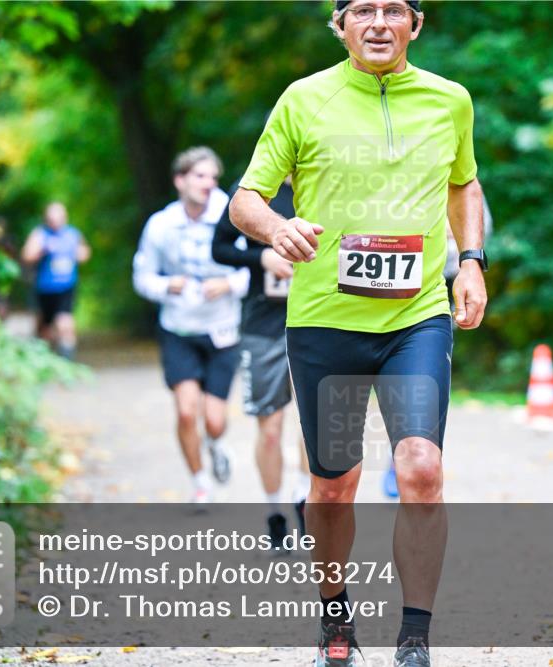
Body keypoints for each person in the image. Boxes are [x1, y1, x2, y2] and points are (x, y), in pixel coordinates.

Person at [229, 1, 487, 664]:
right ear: (339, 25)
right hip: (325, 321)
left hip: (415, 317)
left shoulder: (449, 100)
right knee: (333, 485)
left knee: (421, 469)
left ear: (416, 24)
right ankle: (335, 621)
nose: (379, 22)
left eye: (393, 10)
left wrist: (471, 262)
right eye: (363, 10)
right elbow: (246, 198)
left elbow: (465, 186)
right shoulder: (303, 99)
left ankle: (415, 638)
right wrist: (275, 228)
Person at [132, 146, 250, 505]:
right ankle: (200, 482)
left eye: (213, 177)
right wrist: (168, 285)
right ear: (180, 180)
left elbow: (252, 271)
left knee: (214, 420)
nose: (208, 184)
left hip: (222, 330)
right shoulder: (161, 225)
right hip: (179, 330)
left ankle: (215, 444)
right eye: (200, 176)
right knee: (186, 411)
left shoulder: (232, 216)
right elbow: (142, 277)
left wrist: (227, 285)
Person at [212, 174, 311, 549]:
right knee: (270, 428)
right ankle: (275, 512)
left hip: (319, 318)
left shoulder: (329, 179)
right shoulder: (256, 186)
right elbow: (218, 248)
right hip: (264, 324)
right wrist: (263, 257)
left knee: (313, 422)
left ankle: (303, 500)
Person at [382, 196, 492, 498]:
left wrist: (456, 247)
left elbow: (481, 235)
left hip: (440, 291)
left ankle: (408, 452)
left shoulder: (463, 188)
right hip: (389, 288)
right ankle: (399, 451)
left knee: (419, 383)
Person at [21, 202, 91, 359]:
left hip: (66, 286)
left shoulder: (72, 234)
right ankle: (42, 356)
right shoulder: (40, 234)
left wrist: (75, 254)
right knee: (44, 327)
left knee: (64, 320)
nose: (55, 222)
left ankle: (67, 356)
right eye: (51, 218)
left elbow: (84, 253)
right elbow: (27, 255)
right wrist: (42, 251)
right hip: (44, 287)